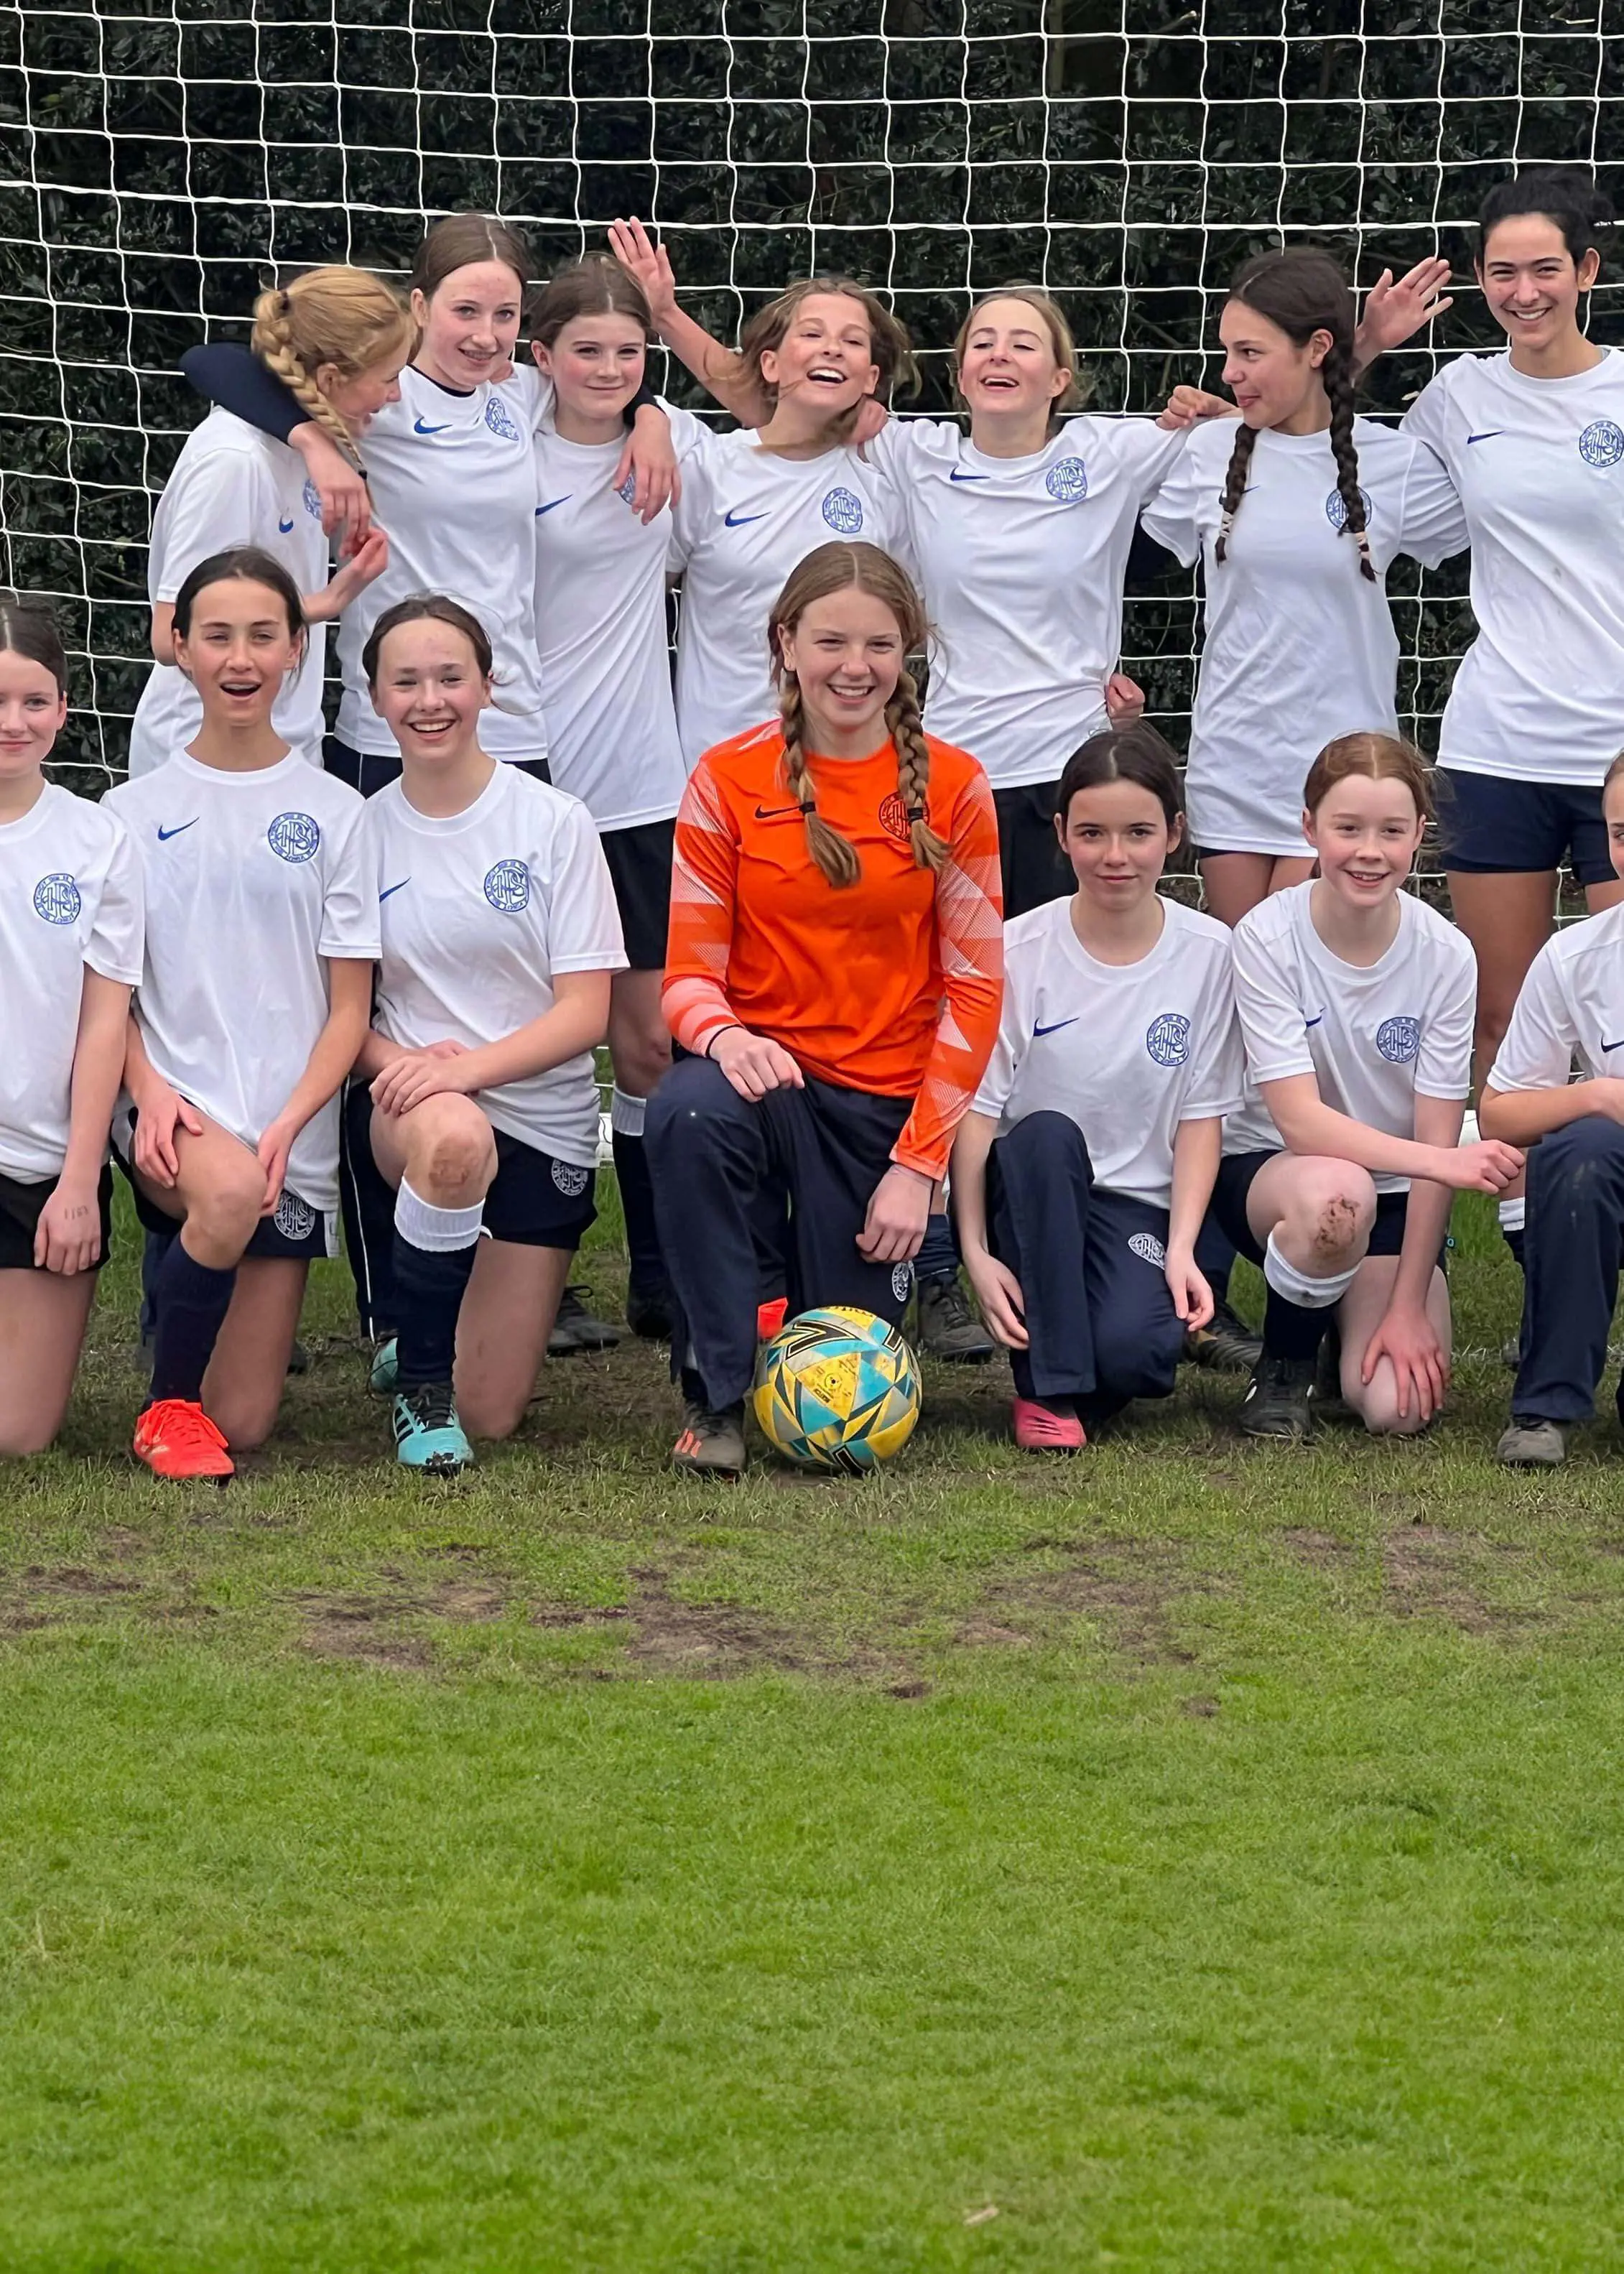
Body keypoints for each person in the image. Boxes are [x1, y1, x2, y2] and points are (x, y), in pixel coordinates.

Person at [182, 216, 676, 1360]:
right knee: (378, 1011)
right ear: (417, 309)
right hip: (380, 735)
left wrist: (651, 413)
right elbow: (222, 362)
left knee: (513, 990)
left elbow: (613, 386)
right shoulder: (377, 397)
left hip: (516, 730)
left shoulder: (521, 402)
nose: (488, 336)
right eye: (466, 311)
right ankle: (372, 1295)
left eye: (507, 315)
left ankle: (521, 1261)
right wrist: (311, 437)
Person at [645, 542, 1003, 1477]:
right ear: (785, 644)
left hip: (882, 1111)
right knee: (686, 1109)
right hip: (768, 1084)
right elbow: (686, 978)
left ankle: (801, 1310)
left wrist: (918, 1163)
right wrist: (724, 1037)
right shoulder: (726, 779)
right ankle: (715, 1395)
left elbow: (974, 986)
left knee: (846, 1380)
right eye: (831, 640)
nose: (855, 666)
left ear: (906, 652)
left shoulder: (956, 786)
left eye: (880, 644)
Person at [106, 549, 378, 1481]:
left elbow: (350, 1010)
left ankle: (189, 1358)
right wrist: (146, 1092)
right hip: (173, 1108)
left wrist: (291, 1122)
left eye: (263, 635)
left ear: (298, 649)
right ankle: (164, 1412)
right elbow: (110, 996)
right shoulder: (130, 813)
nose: (240, 657)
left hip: (285, 1129)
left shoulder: (339, 814)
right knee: (220, 1193)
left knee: (249, 1419)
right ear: (180, 646)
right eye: (217, 634)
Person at [1401, 166, 1624, 1278]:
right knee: (1507, 1006)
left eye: (1546, 268)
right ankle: (1536, 1225)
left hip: (1620, 753)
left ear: (1588, 271)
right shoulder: (1455, 397)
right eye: (1502, 272)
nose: (1524, 291)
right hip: (1496, 740)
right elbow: (1365, 497)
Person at [355, 595, 626, 1475]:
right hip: (418, 1115)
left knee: (497, 1412)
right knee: (454, 1135)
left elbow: (585, 1013)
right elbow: (337, 1019)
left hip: (538, 1119)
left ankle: (437, 1340)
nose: (429, 700)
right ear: (375, 697)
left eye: (449, 678)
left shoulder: (553, 822)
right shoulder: (356, 832)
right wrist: (412, 1070)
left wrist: (465, 1068)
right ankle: (423, 1388)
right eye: (406, 682)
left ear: (487, 686)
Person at [1142, 247, 1467, 930]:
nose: (1228, 373)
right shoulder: (1206, 450)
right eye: (1226, 351)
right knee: (1247, 987)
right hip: (1231, 764)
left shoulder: (1394, 463)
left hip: (1344, 775)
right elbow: (1104, 550)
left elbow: (1511, 536)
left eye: (1249, 353)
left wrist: (1369, 341)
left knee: (1308, 983)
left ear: (1316, 347)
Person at [1213, 733, 1522, 1442]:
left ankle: (1339, 1317)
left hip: (1394, 1194)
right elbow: (1299, 1123)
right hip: (1276, 1180)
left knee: (1395, 1408)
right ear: (1308, 828)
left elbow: (1437, 1135)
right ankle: (1285, 1364)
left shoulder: (1444, 953)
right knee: (1335, 1192)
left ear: (1418, 833)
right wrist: (1441, 1161)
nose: (1368, 851)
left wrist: (1409, 1302)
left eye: (1390, 830)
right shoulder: (1265, 937)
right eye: (1346, 828)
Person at [952, 725, 1243, 1452]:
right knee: (1046, 1133)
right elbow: (977, 1115)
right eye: (1091, 833)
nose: (1115, 856)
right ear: (1060, 834)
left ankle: (1079, 1362)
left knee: (1136, 1359)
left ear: (1174, 834)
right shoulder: (1017, 950)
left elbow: (1200, 1121)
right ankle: (1045, 1395)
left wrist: (1181, 1250)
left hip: (1131, 1204)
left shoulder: (1209, 956)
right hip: (1029, 1192)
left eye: (1137, 832)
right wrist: (974, 1254)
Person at [528, 258, 705, 1342]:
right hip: (525, 783)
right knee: (530, 1038)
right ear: (539, 358)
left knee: (647, 1046)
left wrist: (655, 413)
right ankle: (533, 1269)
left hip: (640, 789)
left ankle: (658, 1268)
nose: (605, 367)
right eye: (584, 350)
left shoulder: (673, 448)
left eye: (626, 353)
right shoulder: (504, 441)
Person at [607, 225, 915, 766]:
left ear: (870, 377)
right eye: (812, 334)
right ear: (770, 364)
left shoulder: (885, 482)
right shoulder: (709, 469)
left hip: (845, 770)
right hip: (719, 768)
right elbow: (635, 602)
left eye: (850, 341)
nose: (830, 349)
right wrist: (661, 326)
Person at [129, 265, 405, 778]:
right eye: (388, 379)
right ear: (329, 380)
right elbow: (171, 638)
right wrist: (326, 602)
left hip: (281, 743)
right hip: (199, 754)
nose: (396, 397)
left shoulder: (298, 442)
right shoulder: (235, 463)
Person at [0, 597, 144, 1457]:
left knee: (16, 1437)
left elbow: (104, 1025)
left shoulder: (99, 842)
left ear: (63, 707)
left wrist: (79, 1182)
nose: (12, 723)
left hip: (37, 1166)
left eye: (32, 701)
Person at [1481, 753, 1624, 1467]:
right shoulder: (1576, 955)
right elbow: (1501, 1111)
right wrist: (1597, 1093)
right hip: (1614, 1170)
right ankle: (1545, 1405)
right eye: (1623, 833)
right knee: (1577, 1151)